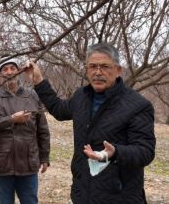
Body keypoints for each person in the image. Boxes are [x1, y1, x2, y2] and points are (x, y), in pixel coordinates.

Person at [25, 42, 156, 204]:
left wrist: (115, 153)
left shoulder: (137, 105)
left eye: (105, 66)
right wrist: (39, 81)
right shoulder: (82, 96)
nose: (98, 72)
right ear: (87, 69)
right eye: (92, 66)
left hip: (119, 196)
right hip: (83, 192)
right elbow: (59, 110)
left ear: (118, 70)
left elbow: (145, 151)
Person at [0, 58, 50, 204]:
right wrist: (11, 119)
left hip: (28, 163)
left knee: (30, 201)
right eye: (5, 69)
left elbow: (42, 129)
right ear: (0, 74)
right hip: (3, 163)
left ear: (18, 71)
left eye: (12, 68)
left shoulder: (32, 96)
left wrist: (44, 157)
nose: (9, 72)